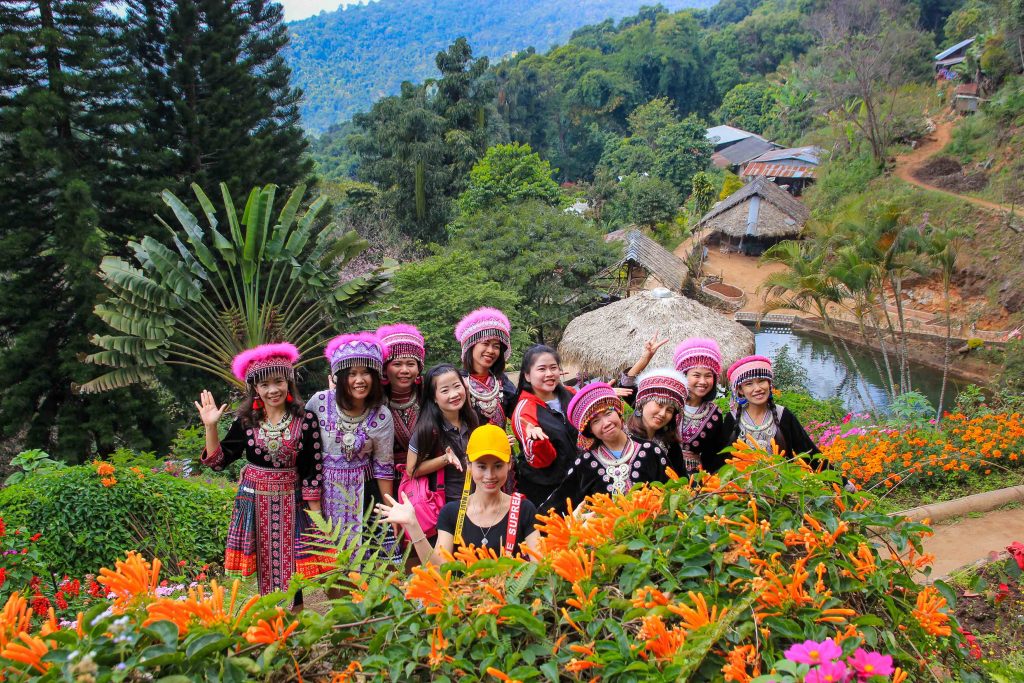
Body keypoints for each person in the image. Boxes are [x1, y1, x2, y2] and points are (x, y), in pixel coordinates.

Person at [196, 343, 323, 596]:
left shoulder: (305, 420)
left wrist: (318, 519)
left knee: (294, 568)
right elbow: (218, 462)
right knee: (263, 565)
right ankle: (270, 624)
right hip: (254, 501)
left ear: (288, 382)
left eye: (278, 381)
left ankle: (292, 623)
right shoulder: (246, 422)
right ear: (255, 388)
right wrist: (211, 426)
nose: (273, 390)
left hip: (292, 500)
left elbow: (312, 469)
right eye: (264, 385)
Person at [375, 424, 540, 563]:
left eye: (498, 466)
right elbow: (439, 568)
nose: (490, 475)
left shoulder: (524, 510)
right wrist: (413, 525)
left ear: (509, 464)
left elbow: (540, 566)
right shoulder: (452, 513)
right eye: (481, 466)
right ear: (469, 465)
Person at [306, 332, 395, 553]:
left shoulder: (381, 415)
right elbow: (304, 450)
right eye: (352, 373)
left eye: (366, 372)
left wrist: (390, 511)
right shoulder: (318, 402)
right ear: (339, 376)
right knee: (330, 563)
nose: (359, 380)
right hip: (322, 494)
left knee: (366, 562)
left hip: (364, 495)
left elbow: (383, 467)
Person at [555, 382, 669, 510]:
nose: (606, 423)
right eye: (596, 421)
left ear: (619, 412)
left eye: (608, 413)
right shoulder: (585, 464)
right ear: (590, 430)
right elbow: (559, 502)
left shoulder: (651, 451)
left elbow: (673, 491)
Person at [511, 344, 579, 510]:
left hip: (580, 480)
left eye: (553, 368)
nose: (549, 374)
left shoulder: (571, 394)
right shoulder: (524, 411)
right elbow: (540, 462)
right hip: (549, 492)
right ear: (527, 375)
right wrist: (537, 442)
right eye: (542, 369)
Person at [407, 364, 480, 506]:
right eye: (445, 390)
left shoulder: (471, 418)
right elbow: (411, 470)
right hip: (446, 505)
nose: (454, 394)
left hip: (476, 500)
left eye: (457, 386)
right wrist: (445, 459)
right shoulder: (428, 429)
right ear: (434, 397)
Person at [726, 355, 820, 459]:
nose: (757, 388)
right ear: (740, 390)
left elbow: (809, 452)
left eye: (762, 381)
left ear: (769, 383)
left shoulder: (783, 415)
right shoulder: (732, 418)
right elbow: (721, 461)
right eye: (749, 384)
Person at [673, 338, 733, 474]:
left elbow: (715, 452)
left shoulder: (714, 414)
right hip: (663, 471)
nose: (703, 381)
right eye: (696, 375)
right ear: (683, 375)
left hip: (696, 478)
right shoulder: (670, 403)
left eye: (708, 376)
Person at [454, 307, 517, 427]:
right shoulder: (457, 381)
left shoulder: (502, 381)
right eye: (486, 343)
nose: (491, 350)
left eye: (496, 346)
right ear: (470, 346)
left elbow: (519, 414)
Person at [376, 323, 426, 465]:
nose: (405, 370)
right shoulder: (374, 399)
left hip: (427, 477)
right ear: (385, 369)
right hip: (386, 478)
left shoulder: (429, 393)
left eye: (410, 364)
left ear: (419, 368)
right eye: (397, 364)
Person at [625, 369, 689, 476]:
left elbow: (681, 481)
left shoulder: (671, 445)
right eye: (659, 405)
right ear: (642, 403)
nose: (663, 414)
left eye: (669, 410)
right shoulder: (623, 438)